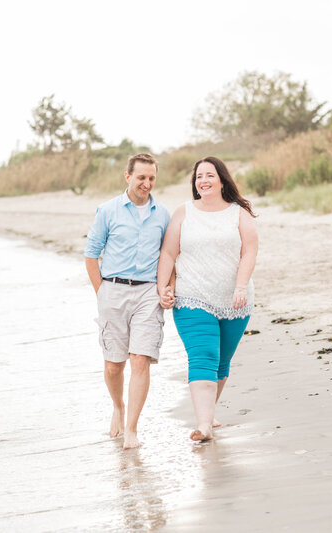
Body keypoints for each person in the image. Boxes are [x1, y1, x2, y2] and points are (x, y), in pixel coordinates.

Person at [157, 156, 258, 443]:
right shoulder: (184, 212)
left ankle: (208, 413)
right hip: (192, 297)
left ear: (222, 180)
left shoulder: (239, 213)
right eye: (199, 176)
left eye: (210, 175)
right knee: (204, 356)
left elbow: (249, 252)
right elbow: (168, 252)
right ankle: (203, 425)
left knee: (222, 362)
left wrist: (240, 287)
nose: (204, 181)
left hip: (235, 299)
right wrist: (163, 287)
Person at [84, 153, 171, 449]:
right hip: (113, 290)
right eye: (141, 177)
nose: (146, 183)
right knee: (113, 365)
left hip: (148, 293)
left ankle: (132, 429)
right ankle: (118, 407)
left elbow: (169, 255)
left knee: (140, 359)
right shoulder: (108, 211)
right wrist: (102, 293)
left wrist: (168, 287)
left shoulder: (163, 214)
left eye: (151, 178)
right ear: (128, 176)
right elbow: (91, 255)